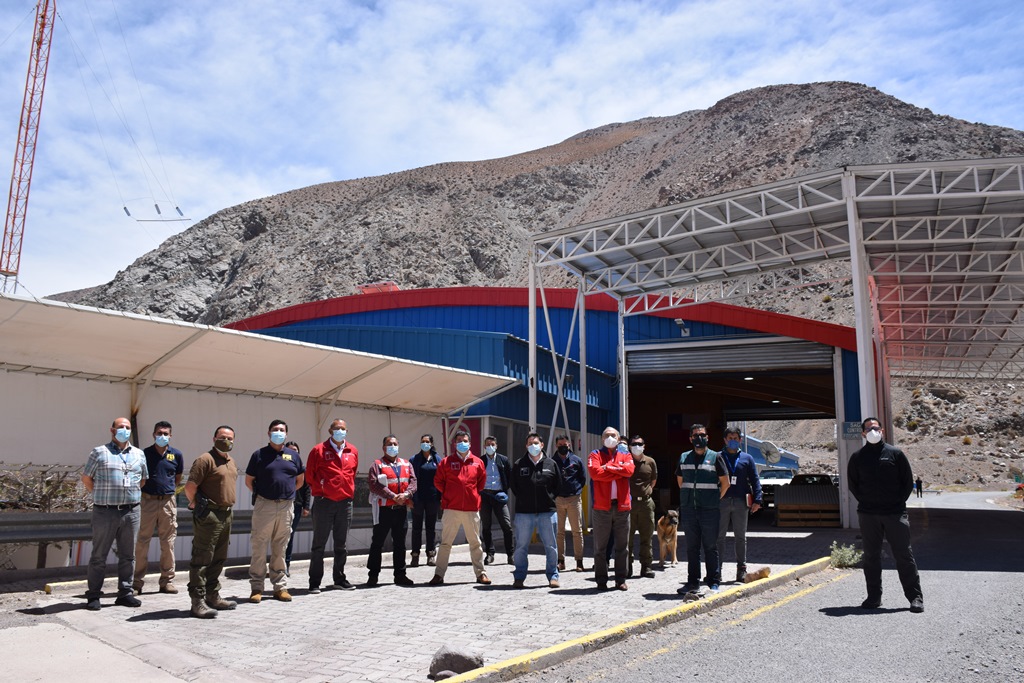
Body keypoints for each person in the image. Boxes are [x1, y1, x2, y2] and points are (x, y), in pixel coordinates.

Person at [848, 417, 924, 613]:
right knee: (871, 557)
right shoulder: (857, 458)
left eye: (876, 427)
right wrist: (866, 502)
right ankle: (874, 598)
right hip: (868, 515)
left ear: (882, 431)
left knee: (904, 556)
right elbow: (853, 485)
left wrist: (897, 503)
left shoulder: (895, 454)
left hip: (895, 513)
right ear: (863, 434)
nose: (873, 430)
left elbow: (907, 482)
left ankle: (915, 597)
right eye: (869, 428)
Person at [82, 417, 148, 611]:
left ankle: (125, 593)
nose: (125, 430)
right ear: (112, 430)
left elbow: (142, 480)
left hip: (131, 511)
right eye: (121, 427)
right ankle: (94, 595)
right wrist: (102, 495)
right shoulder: (99, 452)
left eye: (128, 427)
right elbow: (86, 478)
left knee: (128, 555)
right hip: (105, 511)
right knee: (98, 556)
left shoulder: (138, 454)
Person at [245, 419, 304, 603]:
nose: (278, 432)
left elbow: (300, 480)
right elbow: (249, 480)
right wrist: (263, 495)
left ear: (286, 434)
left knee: (281, 547)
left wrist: (288, 493)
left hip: (286, 506)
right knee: (259, 546)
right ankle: (257, 587)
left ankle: (280, 587)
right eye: (275, 430)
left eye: (281, 430)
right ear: (269, 433)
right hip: (265, 505)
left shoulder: (293, 456)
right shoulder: (259, 455)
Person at [185, 425, 240, 618]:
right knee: (202, 557)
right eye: (223, 437)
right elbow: (190, 487)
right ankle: (197, 601)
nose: (227, 441)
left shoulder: (231, 461)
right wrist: (197, 504)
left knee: (219, 557)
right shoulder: (205, 460)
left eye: (230, 438)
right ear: (214, 438)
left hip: (226, 514)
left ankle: (212, 594)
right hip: (209, 514)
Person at [429, 430, 490, 585]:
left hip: (471, 509)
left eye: (465, 440)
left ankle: (480, 574)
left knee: (475, 543)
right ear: (454, 444)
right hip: (451, 508)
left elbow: (481, 483)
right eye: (459, 441)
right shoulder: (446, 462)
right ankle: (439, 574)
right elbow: (438, 481)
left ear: (470, 443)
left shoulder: (478, 462)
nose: (462, 443)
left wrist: (472, 494)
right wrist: (450, 494)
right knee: (445, 543)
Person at [305, 418, 359, 592]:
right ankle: (314, 582)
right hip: (324, 503)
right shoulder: (318, 450)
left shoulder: (353, 451)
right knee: (318, 544)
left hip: (345, 503)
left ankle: (340, 579)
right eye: (337, 428)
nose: (340, 431)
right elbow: (309, 476)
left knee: (341, 544)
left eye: (343, 428)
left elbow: (352, 474)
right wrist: (322, 489)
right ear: (330, 431)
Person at [676, 423, 729, 594]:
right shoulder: (684, 457)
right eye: (696, 435)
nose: (700, 437)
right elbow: (680, 481)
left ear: (707, 437)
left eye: (702, 434)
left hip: (709, 510)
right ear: (690, 438)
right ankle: (693, 583)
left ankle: (713, 582)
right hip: (689, 509)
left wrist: (713, 498)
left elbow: (725, 483)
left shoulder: (715, 457)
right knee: (692, 547)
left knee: (710, 546)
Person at [133, 420, 183, 595]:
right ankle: (137, 583)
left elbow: (177, 477)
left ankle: (167, 581)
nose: (163, 436)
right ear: (154, 434)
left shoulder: (176, 455)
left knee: (168, 543)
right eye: (159, 433)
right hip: (147, 501)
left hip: (168, 502)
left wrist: (166, 492)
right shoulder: (143, 454)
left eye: (166, 433)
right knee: (142, 542)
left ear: (171, 435)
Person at [510, 433, 561, 588]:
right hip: (524, 513)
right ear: (526, 446)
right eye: (530, 443)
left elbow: (558, 485)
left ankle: (553, 576)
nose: (533, 445)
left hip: (547, 512)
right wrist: (524, 499)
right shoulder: (519, 464)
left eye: (536, 442)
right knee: (521, 546)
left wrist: (549, 497)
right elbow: (514, 486)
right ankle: (519, 576)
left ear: (542, 445)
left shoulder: (551, 464)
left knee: (551, 546)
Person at [366, 435, 417, 586]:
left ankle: (400, 575)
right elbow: (374, 484)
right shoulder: (377, 465)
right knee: (377, 543)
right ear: (383, 448)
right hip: (384, 510)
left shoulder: (406, 464)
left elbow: (413, 481)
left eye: (395, 444)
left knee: (400, 544)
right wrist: (393, 496)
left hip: (401, 510)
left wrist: (407, 494)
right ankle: (373, 575)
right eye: (389, 444)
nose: (392, 447)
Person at [588, 426, 635, 591]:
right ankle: (601, 580)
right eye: (607, 435)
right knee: (600, 547)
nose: (610, 438)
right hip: (602, 508)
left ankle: (620, 579)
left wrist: (607, 468)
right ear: (602, 439)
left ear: (618, 438)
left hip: (622, 507)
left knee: (622, 546)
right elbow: (595, 474)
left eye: (613, 435)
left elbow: (629, 470)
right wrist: (618, 470)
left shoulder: (626, 454)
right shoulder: (595, 454)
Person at [716, 426, 762, 583]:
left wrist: (758, 500)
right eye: (730, 438)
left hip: (741, 502)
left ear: (740, 440)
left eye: (736, 438)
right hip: (721, 502)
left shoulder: (747, 459)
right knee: (719, 537)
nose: (733, 441)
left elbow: (755, 479)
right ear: (725, 440)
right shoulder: (718, 457)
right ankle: (717, 570)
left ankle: (741, 569)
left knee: (740, 537)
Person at [553, 434, 586, 572]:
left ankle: (579, 561)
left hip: (573, 499)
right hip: (558, 499)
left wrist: (576, 491)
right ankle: (561, 561)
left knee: (576, 531)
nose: (563, 447)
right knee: (559, 532)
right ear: (556, 446)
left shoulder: (576, 460)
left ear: (569, 445)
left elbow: (582, 479)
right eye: (560, 445)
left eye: (565, 445)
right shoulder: (552, 461)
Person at [479, 435, 514, 565]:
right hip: (485, 496)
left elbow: (510, 478)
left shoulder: (503, 460)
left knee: (507, 526)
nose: (490, 447)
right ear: (484, 446)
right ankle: (489, 553)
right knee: (486, 526)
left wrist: (505, 491)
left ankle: (510, 554)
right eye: (487, 444)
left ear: (496, 446)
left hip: (499, 496)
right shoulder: (480, 461)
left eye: (492, 444)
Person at [627, 434, 658, 579]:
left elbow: (653, 481)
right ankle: (627, 567)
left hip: (646, 503)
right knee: (627, 538)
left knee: (647, 537)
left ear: (644, 446)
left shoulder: (650, 462)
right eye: (634, 444)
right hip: (629, 504)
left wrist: (646, 493)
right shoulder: (625, 461)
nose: (637, 446)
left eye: (640, 444)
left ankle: (646, 567)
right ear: (629, 446)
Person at [410, 434, 441, 567]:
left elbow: (442, 478)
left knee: (431, 527)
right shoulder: (414, 459)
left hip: (433, 499)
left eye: (427, 441)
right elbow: (409, 480)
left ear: (432, 443)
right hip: (418, 499)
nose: (425, 444)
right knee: (416, 528)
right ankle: (415, 555)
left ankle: (431, 554)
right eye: (422, 441)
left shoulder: (437, 459)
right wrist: (410, 498)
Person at [284, 440, 311, 576]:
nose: (293, 452)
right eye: (290, 450)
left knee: (289, 535)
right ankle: (276, 564)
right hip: (281, 504)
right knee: (278, 536)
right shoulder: (280, 465)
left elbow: (307, 489)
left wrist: (306, 506)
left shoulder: (301, 468)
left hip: (296, 506)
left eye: (296, 450)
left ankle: (286, 565)